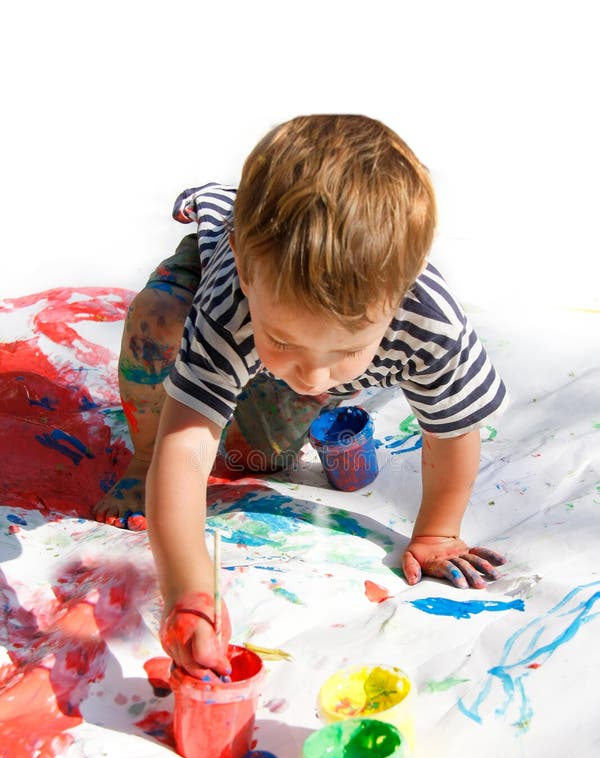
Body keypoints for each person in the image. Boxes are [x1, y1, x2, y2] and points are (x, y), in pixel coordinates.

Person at [95, 114, 508, 676]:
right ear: (246, 272)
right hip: (211, 272)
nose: (314, 377)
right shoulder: (230, 303)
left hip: (271, 326)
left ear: (400, 293)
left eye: (346, 351)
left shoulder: (429, 325)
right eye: (285, 340)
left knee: (261, 458)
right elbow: (186, 448)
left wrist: (437, 531)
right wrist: (190, 595)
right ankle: (137, 454)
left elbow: (452, 430)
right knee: (158, 323)